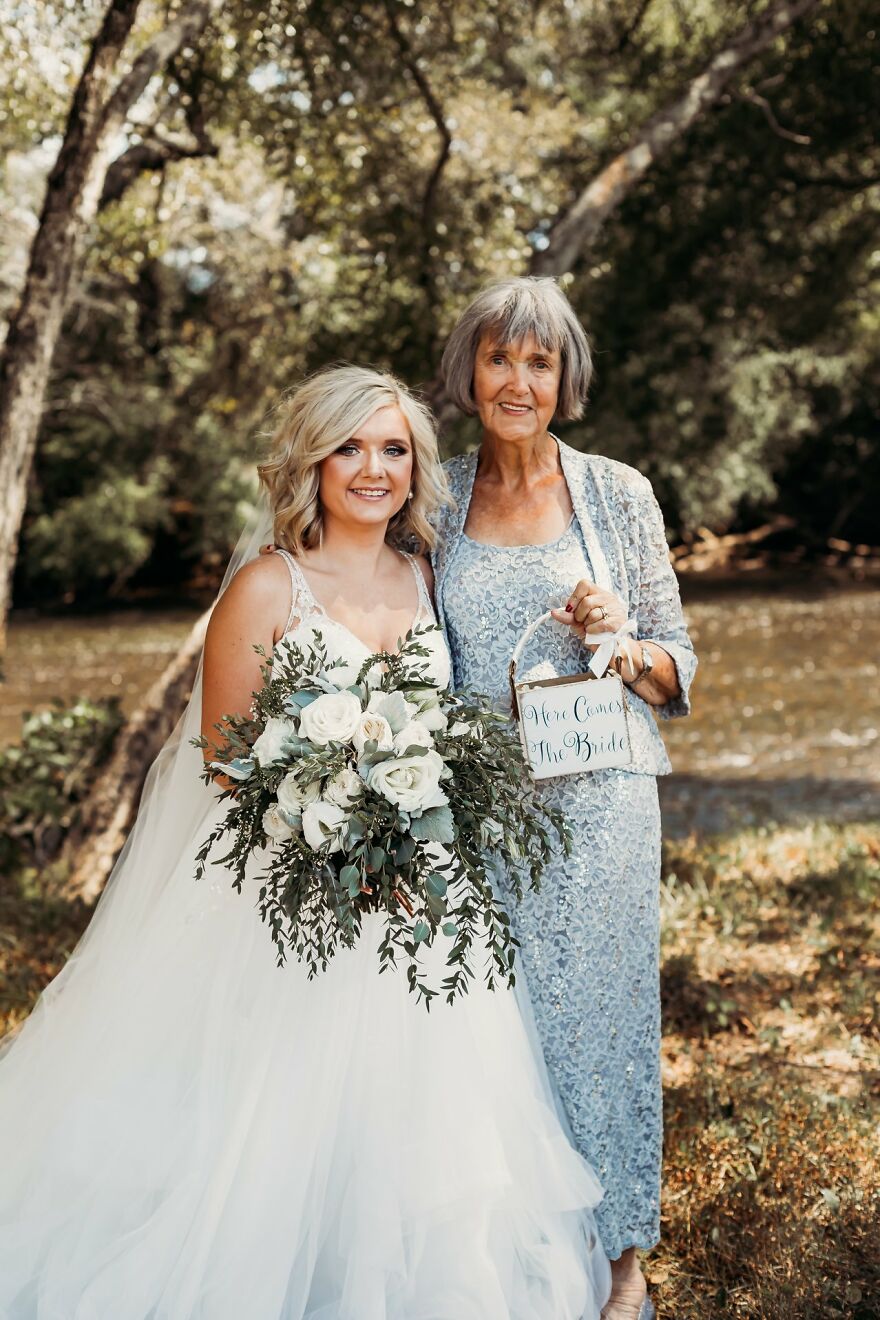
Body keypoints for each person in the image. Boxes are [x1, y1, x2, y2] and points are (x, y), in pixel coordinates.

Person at [0, 365, 612, 1318]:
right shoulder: (265, 586)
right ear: (314, 463)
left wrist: (592, 623)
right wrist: (336, 835)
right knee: (266, 1129)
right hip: (291, 896)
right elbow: (223, 764)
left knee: (428, 1132)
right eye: (351, 448)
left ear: (416, 467)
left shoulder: (425, 573)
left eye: (395, 449)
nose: (374, 468)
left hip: (423, 892)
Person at [434, 277, 698, 1320]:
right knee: (492, 1035)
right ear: (469, 373)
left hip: (599, 807)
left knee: (604, 1024)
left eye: (537, 362)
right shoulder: (433, 496)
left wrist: (623, 641)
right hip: (479, 810)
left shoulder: (618, 494)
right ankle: (513, 1255)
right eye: (499, 358)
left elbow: (679, 668)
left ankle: (622, 1257)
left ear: (564, 379)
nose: (517, 380)